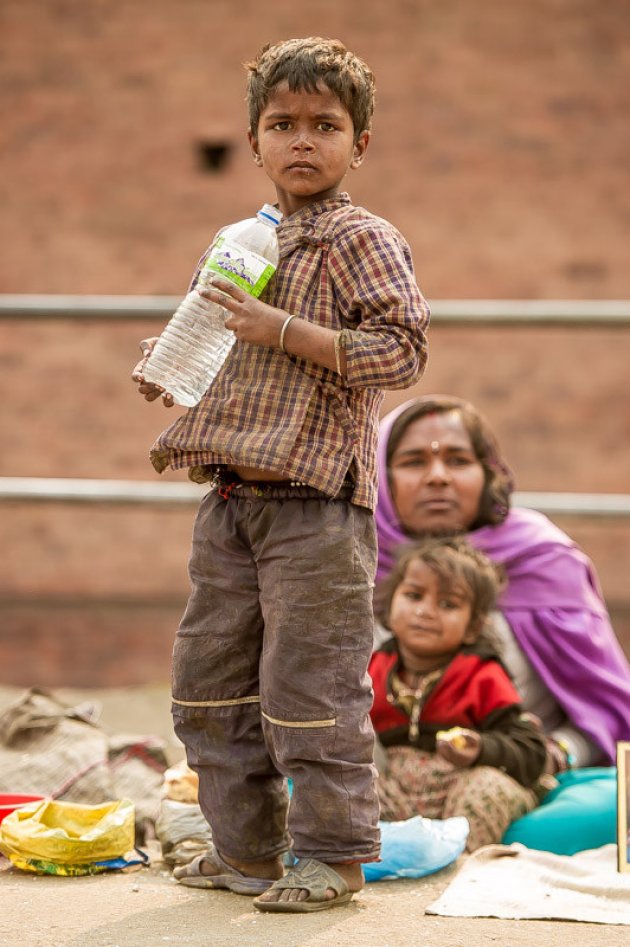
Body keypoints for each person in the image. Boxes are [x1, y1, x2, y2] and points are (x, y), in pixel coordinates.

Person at [132, 38, 429, 912]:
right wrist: (173, 362)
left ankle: (332, 856)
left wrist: (284, 330)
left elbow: (403, 350)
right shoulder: (237, 240)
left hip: (314, 507)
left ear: (360, 144)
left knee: (310, 686)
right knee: (209, 682)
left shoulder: (361, 239)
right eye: (282, 125)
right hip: (229, 497)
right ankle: (249, 851)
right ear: (253, 140)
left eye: (326, 126)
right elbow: (220, 343)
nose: (304, 141)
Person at [375, 395, 630, 774]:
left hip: (524, 787)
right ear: (380, 476)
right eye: (414, 461)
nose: (438, 476)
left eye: (458, 460)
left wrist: (554, 755)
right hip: (374, 790)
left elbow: (605, 711)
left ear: (487, 473)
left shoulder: (544, 560)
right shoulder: (353, 564)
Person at [370, 536, 547, 851]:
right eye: (414, 595)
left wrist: (481, 748)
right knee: (349, 789)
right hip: (400, 794)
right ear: (389, 604)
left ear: (473, 627)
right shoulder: (374, 669)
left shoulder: (482, 675)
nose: (425, 612)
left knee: (483, 790)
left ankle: (458, 873)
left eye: (448, 604)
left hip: (463, 790)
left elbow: (531, 750)